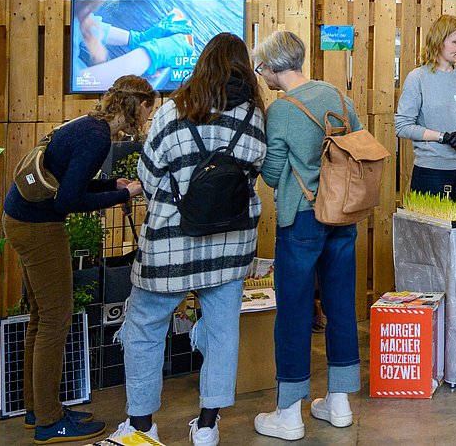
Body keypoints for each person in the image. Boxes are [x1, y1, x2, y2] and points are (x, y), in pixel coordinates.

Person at [110, 33, 267, 446]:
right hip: (230, 246)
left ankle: (142, 428)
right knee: (221, 331)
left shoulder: (172, 111)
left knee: (144, 327)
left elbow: (147, 176)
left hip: (169, 243)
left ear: (203, 65)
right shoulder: (254, 117)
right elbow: (252, 176)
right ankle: (208, 426)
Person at [2, 76, 154, 443]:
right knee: (56, 320)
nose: (149, 119)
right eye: (149, 110)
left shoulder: (89, 125)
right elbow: (67, 201)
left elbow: (69, 182)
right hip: (39, 227)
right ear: (136, 107)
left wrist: (110, 184)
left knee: (41, 317)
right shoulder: (97, 137)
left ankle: (39, 409)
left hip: (21, 218)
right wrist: (125, 194)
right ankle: (49, 422)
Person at [251, 31, 362, 440]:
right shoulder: (339, 98)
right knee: (340, 308)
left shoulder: (281, 111)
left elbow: (272, 173)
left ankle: (289, 413)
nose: (261, 76)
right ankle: (340, 403)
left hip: (301, 218)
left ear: (277, 67)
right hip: (344, 216)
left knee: (295, 313)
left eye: (262, 68)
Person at [395, 15, 456, 202]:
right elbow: (402, 126)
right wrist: (442, 137)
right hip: (432, 171)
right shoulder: (418, 78)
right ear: (438, 42)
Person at [72, 0, 196, 90]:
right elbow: (81, 82)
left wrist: (134, 38)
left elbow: (80, 21)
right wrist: (151, 55)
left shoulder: (76, 10)